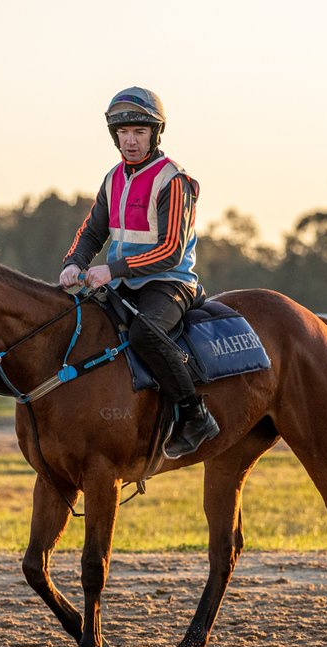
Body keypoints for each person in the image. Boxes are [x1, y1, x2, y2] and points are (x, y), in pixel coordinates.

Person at [58, 86, 219, 459]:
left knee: (145, 332)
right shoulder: (113, 178)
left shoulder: (173, 180)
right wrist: (73, 264)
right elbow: (92, 232)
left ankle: (195, 415)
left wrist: (111, 269)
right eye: (123, 133)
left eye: (139, 132)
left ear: (155, 134)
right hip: (123, 283)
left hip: (170, 283)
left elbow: (170, 251)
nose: (130, 141)